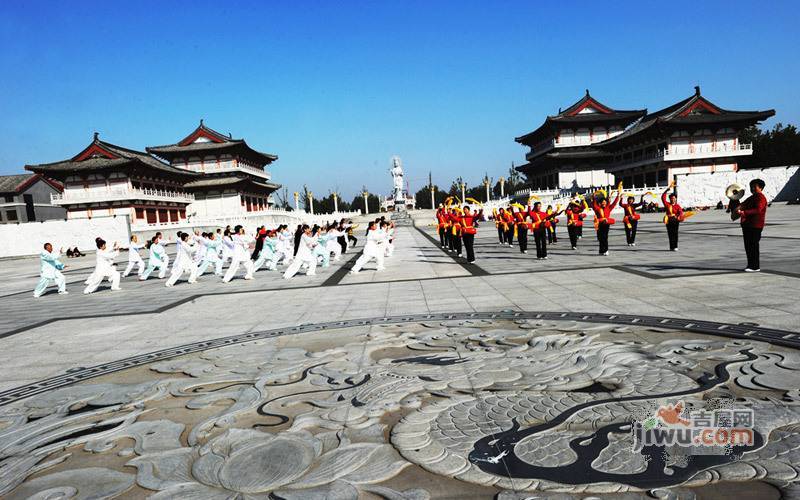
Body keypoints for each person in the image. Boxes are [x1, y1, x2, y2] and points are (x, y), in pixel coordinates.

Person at [737, 178, 768, 272]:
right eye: (751, 187)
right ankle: (750, 265)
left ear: (761, 188)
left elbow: (758, 210)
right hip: (748, 225)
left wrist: (744, 213)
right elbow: (742, 204)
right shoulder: (752, 197)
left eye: (755, 187)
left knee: (753, 246)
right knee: (748, 246)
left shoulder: (760, 197)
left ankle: (755, 266)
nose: (752, 189)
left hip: (755, 225)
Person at [592, 183, 622, 256]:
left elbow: (614, 203)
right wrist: (594, 197)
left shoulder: (608, 208)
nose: (604, 203)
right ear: (600, 203)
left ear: (606, 203)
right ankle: (601, 250)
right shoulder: (597, 209)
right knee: (600, 238)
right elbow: (594, 205)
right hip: (599, 224)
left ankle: (605, 250)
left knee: (605, 237)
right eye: (602, 202)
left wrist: (618, 196)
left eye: (605, 202)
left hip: (606, 224)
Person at [662, 181, 684, 251]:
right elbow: (663, 198)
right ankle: (671, 247)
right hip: (668, 220)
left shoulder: (677, 206)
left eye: (674, 198)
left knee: (675, 233)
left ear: (676, 199)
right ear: (670, 199)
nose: (673, 199)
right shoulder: (667, 204)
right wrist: (666, 190)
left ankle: (675, 246)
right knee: (670, 234)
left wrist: (678, 216)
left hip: (675, 220)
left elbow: (680, 212)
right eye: (671, 198)